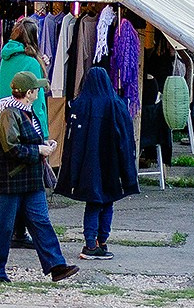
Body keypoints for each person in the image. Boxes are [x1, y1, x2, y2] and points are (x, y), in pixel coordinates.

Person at [0, 71, 78, 282]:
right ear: (29, 93)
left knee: (40, 221)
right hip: (9, 180)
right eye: (36, 89)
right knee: (3, 226)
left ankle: (56, 266)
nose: (39, 91)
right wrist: (40, 151)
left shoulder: (23, 110)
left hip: (27, 178)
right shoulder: (10, 114)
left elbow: (21, 144)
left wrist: (43, 146)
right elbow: (12, 149)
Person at [57, 66, 138, 260]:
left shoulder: (79, 104)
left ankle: (90, 244)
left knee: (92, 203)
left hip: (87, 164)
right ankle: (103, 242)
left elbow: (72, 139)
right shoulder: (116, 104)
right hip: (111, 163)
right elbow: (126, 137)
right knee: (108, 201)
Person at [0, 17, 51, 137]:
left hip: (4, 123)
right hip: (27, 126)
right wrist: (44, 133)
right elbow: (37, 101)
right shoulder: (32, 63)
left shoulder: (6, 59)